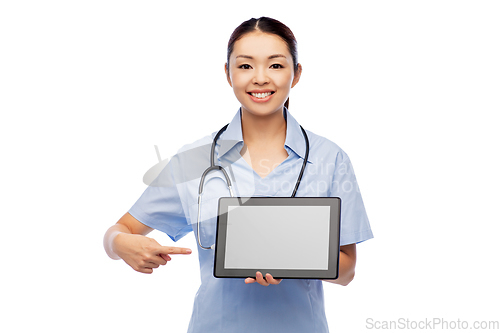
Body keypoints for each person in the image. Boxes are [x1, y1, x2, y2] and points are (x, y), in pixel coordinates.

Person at [103, 16, 373, 333]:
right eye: (245, 66)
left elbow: (347, 272)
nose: (260, 78)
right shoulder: (195, 160)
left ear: (296, 74)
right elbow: (119, 230)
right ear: (228, 74)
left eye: (275, 65)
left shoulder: (331, 158)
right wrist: (119, 245)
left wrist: (293, 260)